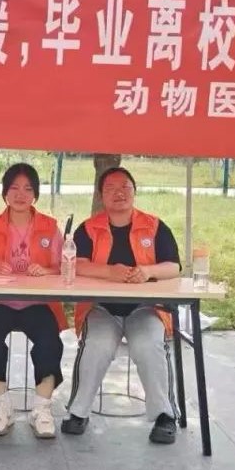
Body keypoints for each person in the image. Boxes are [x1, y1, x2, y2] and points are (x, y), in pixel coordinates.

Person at [62, 167, 182, 444]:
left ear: (134, 192)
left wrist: (148, 271)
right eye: (111, 188)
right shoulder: (88, 229)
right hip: (101, 308)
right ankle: (78, 412)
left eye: (125, 187)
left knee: (149, 346)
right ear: (101, 196)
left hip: (146, 307)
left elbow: (173, 266)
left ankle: (165, 415)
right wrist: (109, 272)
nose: (119, 193)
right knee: (97, 345)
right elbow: (75, 264)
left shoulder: (155, 226)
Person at [0, 163, 66, 438]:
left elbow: (63, 268)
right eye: (14, 188)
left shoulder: (50, 226)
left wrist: (46, 270)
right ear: (5, 193)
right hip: (0, 302)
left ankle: (41, 409)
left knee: (49, 341)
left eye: (27, 188)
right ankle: (2, 406)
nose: (21, 194)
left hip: (38, 303)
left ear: (35, 193)